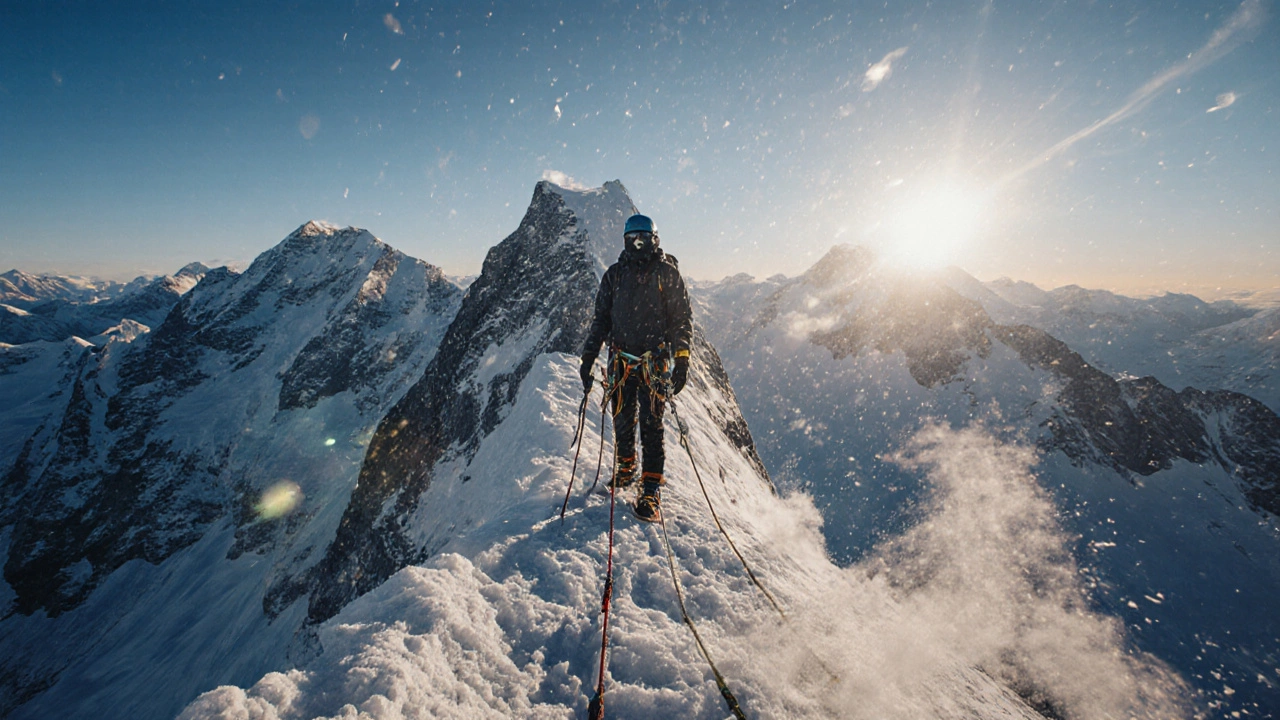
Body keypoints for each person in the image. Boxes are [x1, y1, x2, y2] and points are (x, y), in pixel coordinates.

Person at [580, 213, 693, 522]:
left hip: (651, 361)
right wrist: (588, 357)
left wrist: (682, 360)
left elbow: (681, 320)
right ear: (627, 241)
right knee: (623, 417)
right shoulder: (614, 276)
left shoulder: (666, 274)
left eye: (644, 238)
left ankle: (651, 486)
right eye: (633, 238)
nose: (639, 243)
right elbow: (601, 321)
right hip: (623, 359)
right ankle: (627, 467)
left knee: (651, 423)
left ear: (654, 240)